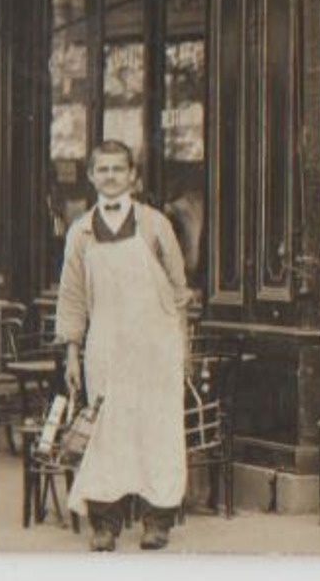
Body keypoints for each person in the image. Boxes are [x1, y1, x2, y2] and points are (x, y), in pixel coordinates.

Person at [57, 141, 189, 552]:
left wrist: (182, 348)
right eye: (103, 169)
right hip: (107, 347)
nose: (111, 176)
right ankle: (105, 523)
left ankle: (157, 520)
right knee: (107, 432)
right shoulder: (80, 232)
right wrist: (73, 353)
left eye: (119, 169)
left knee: (156, 429)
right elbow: (73, 296)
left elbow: (179, 291)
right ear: (92, 176)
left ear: (133, 176)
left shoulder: (155, 226)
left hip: (155, 346)